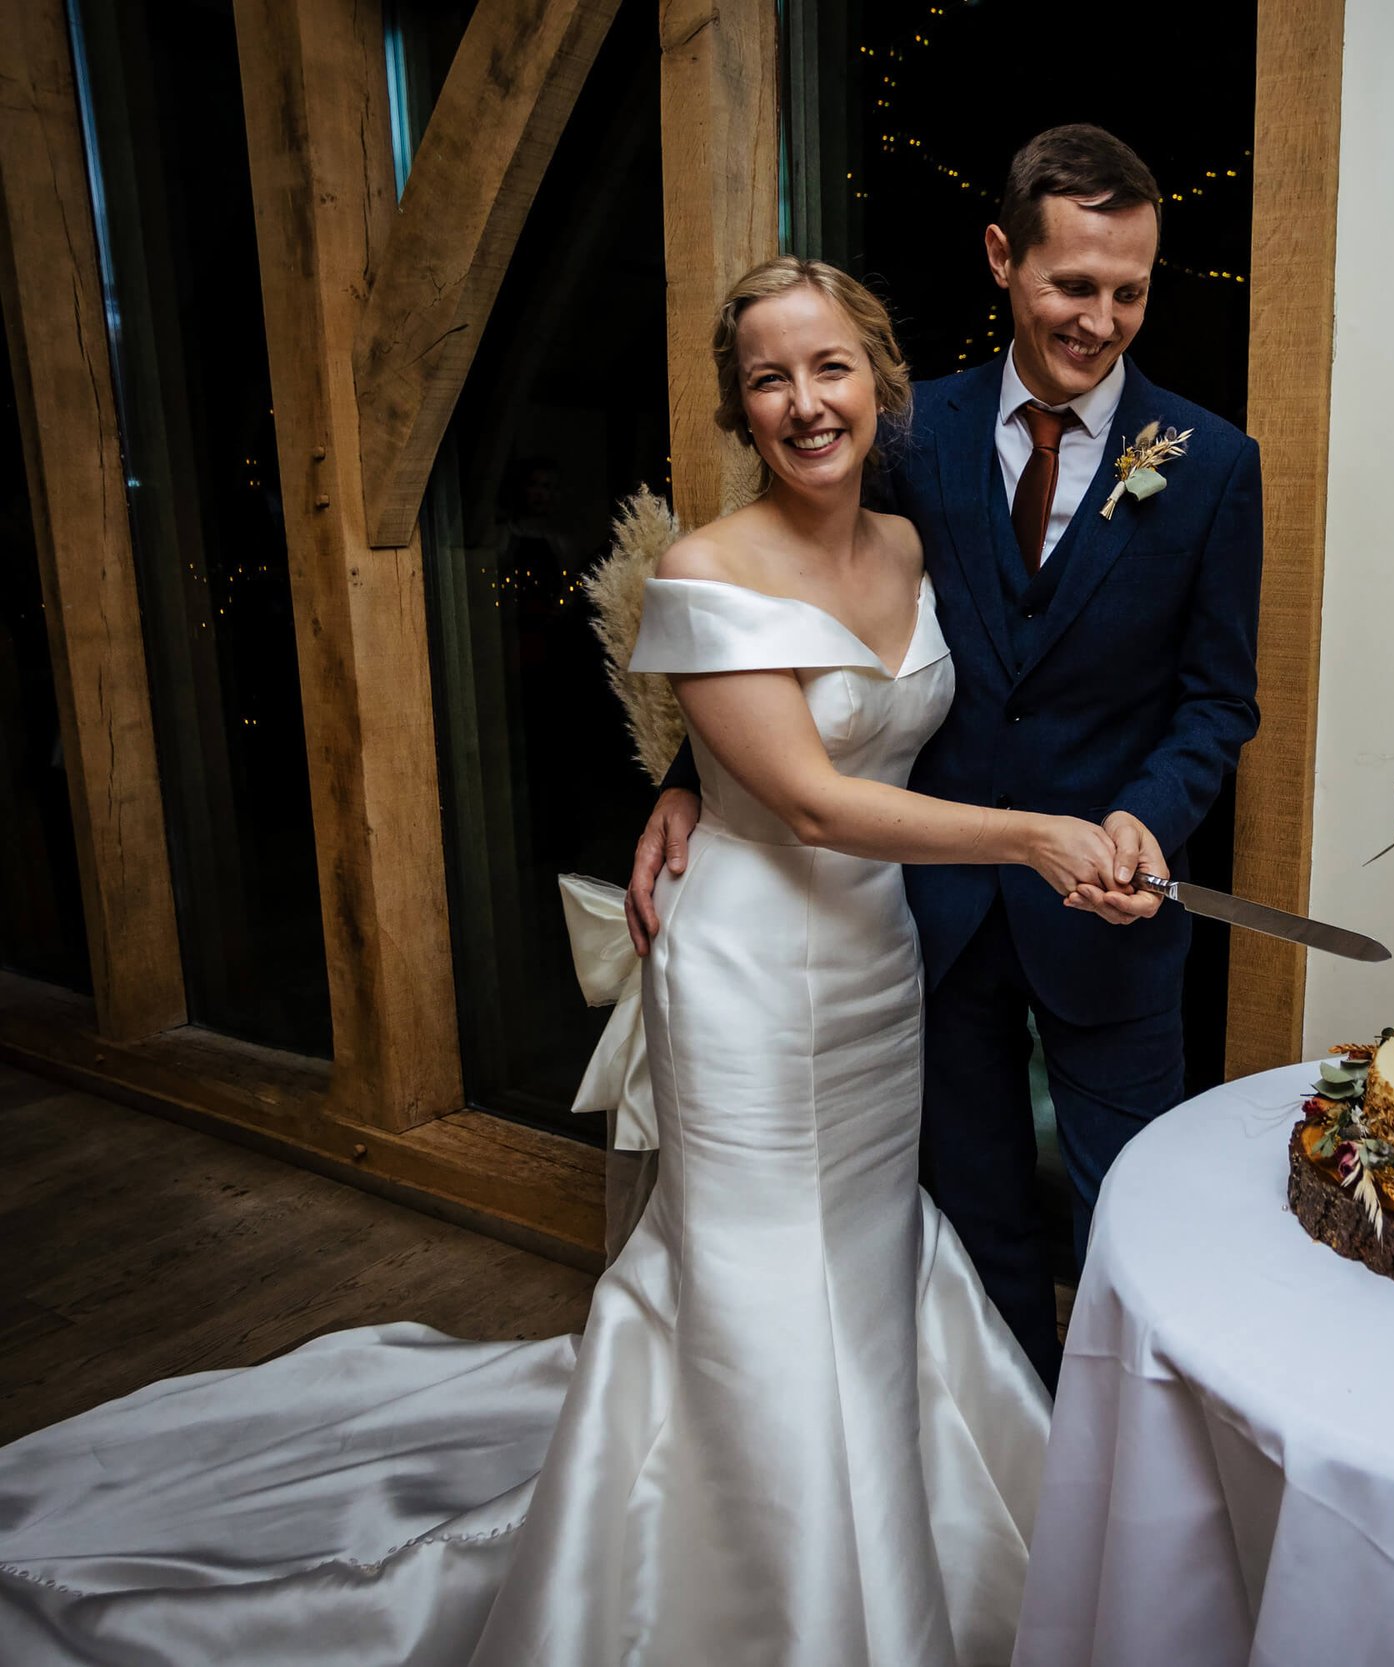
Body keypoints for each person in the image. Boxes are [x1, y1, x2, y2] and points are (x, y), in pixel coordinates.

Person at [0, 260, 1084, 1667]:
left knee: (865, 1253)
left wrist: (685, 780)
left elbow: (857, 746)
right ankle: (771, 1580)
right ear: (736, 405)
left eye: (830, 368)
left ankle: (896, 1530)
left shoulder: (918, 548)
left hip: (878, 965)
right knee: (751, 1268)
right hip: (749, 972)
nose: (805, 402)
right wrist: (1032, 838)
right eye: (769, 377)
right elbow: (811, 797)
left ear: (881, 380)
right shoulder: (704, 567)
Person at [630, 125, 1263, 1388]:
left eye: (1128, 290)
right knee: (974, 1222)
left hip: (1114, 915)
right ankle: (1018, 1457)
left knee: (1138, 1214)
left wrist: (1144, 814)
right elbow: (796, 632)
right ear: (1001, 258)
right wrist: (691, 774)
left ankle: (1135, 1468)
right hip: (932, 918)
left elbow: (1216, 700)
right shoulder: (909, 433)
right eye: (1070, 284)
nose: (1099, 320)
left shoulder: (1211, 465)